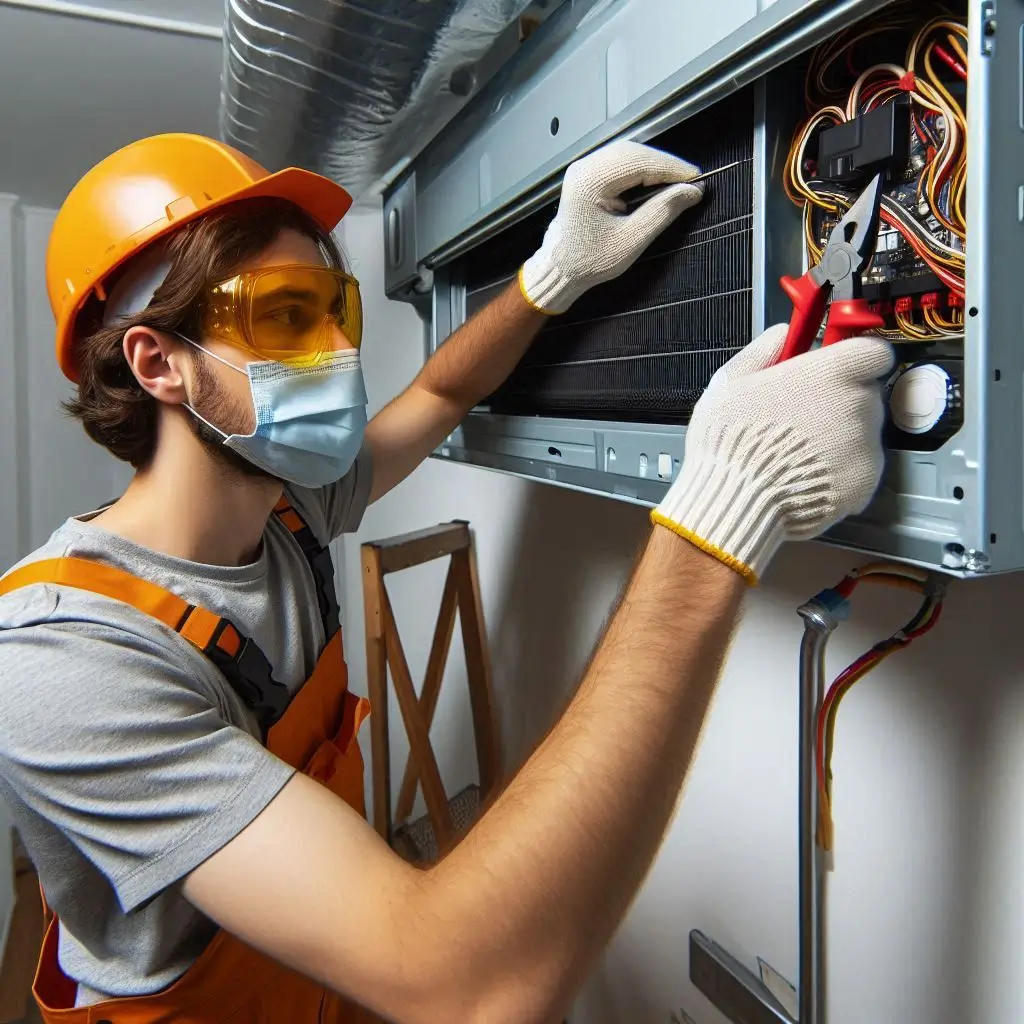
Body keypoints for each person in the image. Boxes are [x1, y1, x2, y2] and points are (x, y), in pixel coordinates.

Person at [0, 132, 891, 1024]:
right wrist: (725, 508)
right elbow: (463, 990)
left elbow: (437, 397)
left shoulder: (285, 511)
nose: (338, 353)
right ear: (159, 363)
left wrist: (552, 275)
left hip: (325, 982)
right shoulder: (62, 660)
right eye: (284, 316)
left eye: (334, 312)